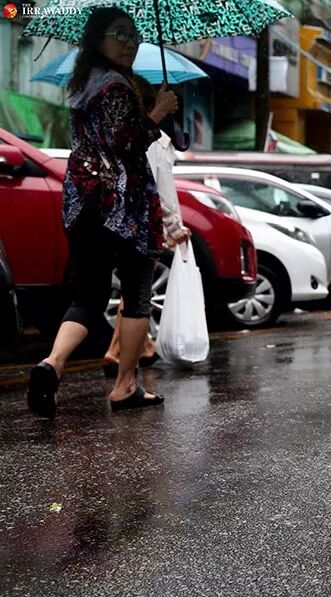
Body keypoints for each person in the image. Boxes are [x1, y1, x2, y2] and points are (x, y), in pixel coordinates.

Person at [26, 6, 180, 418]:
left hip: (83, 201)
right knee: (137, 294)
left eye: (134, 35)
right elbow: (125, 142)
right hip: (124, 206)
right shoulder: (115, 86)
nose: (130, 43)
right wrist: (158, 113)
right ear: (98, 39)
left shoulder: (84, 83)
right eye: (120, 34)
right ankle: (125, 385)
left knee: (88, 296)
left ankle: (52, 363)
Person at [103, 75, 192, 377]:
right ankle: (120, 354)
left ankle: (140, 346)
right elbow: (162, 190)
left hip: (121, 222)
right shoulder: (157, 141)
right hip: (146, 225)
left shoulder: (124, 136)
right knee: (138, 292)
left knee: (134, 290)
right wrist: (175, 228)